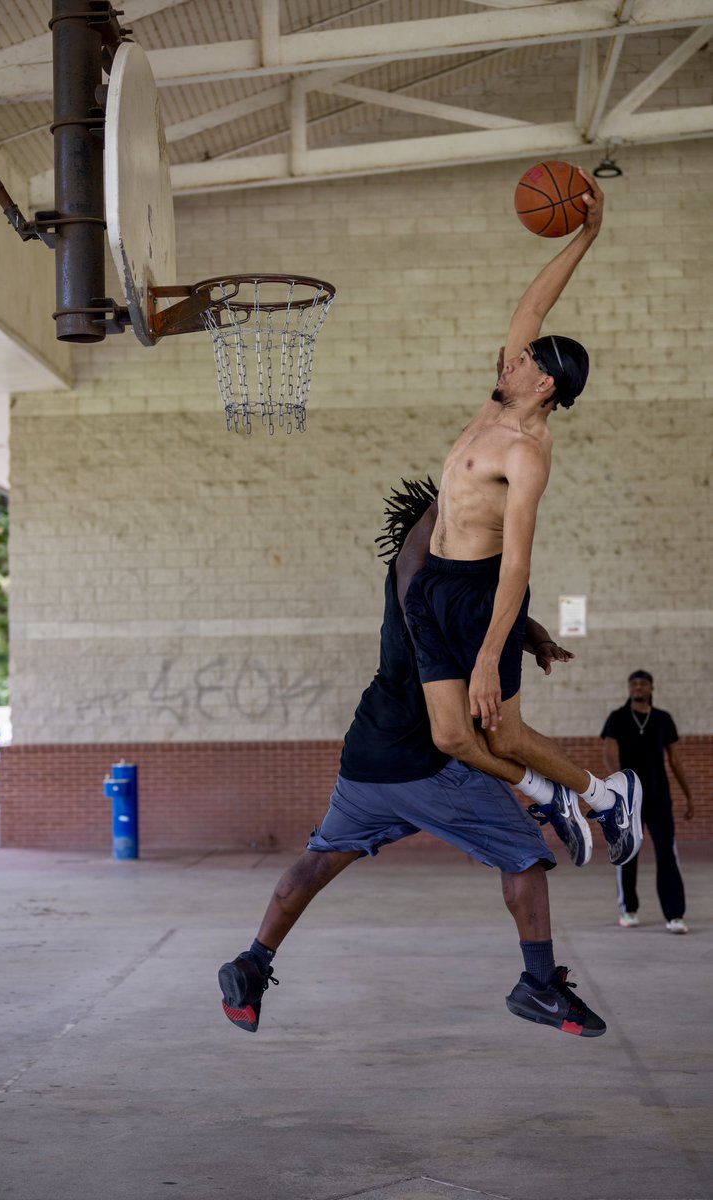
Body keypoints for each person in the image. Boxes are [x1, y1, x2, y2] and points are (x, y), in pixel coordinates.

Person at [218, 480, 608, 1041]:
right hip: (429, 764)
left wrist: (537, 637)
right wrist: (451, 496)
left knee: (321, 859)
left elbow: (489, 616)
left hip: (368, 759)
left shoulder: (447, 579)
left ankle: (254, 962)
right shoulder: (417, 564)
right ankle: (540, 984)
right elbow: (430, 574)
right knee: (524, 856)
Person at [403, 167, 642, 868]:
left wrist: (487, 658)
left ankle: (605, 794)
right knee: (451, 738)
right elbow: (530, 306)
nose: (508, 359)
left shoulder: (528, 451)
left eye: (523, 361)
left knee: (500, 734)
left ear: (545, 383)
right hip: (435, 586)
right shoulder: (494, 405)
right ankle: (557, 794)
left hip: (480, 591)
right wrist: (586, 235)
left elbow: (517, 563)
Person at [602, 670, 694, 934]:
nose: (637, 687)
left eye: (642, 683)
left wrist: (689, 795)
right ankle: (628, 909)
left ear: (652, 687)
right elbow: (608, 751)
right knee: (628, 851)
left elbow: (675, 759)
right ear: (629, 688)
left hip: (659, 797)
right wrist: (617, 786)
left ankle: (675, 915)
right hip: (629, 797)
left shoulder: (663, 719)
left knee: (667, 853)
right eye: (633, 683)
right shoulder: (617, 718)